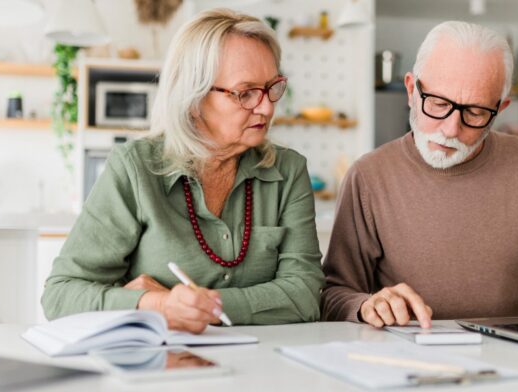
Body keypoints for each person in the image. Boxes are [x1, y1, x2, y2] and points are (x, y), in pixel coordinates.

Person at [42, 9, 325, 333]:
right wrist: (153, 305)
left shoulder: (288, 171)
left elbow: (304, 296)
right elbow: (60, 296)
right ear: (193, 97)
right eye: (245, 93)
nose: (267, 107)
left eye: (271, 87)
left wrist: (201, 307)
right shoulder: (135, 168)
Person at [321, 21, 518, 328]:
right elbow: (333, 295)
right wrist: (366, 306)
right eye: (438, 103)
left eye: (475, 112)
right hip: (408, 358)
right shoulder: (368, 176)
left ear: (502, 108)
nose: (450, 129)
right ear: (410, 90)